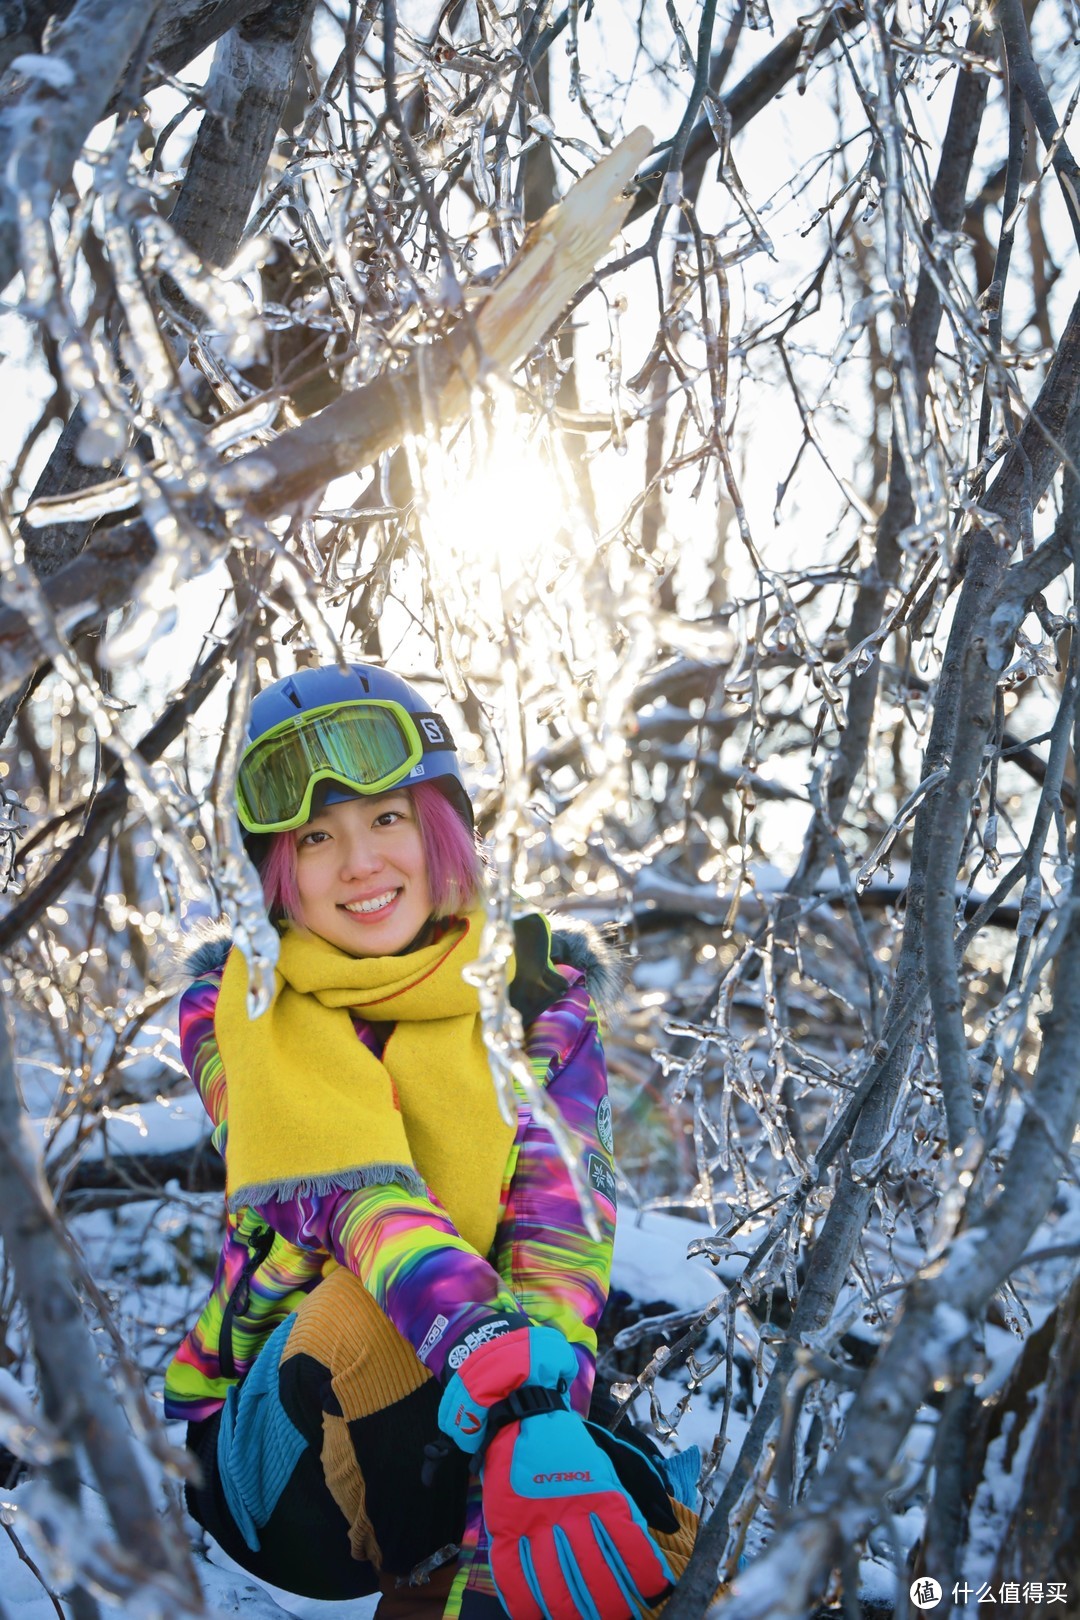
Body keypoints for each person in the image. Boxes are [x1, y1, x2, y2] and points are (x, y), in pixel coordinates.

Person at [165, 663, 700, 1619]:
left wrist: (541, 1403)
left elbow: (560, 1234)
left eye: (386, 818)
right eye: (316, 837)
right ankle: (446, 1584)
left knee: (646, 1522)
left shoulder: (539, 994)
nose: (359, 863)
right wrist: (493, 1357)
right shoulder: (236, 1009)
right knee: (362, 1310)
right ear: (280, 870)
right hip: (276, 1451)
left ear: (438, 826)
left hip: (468, 1395)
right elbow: (354, 1201)